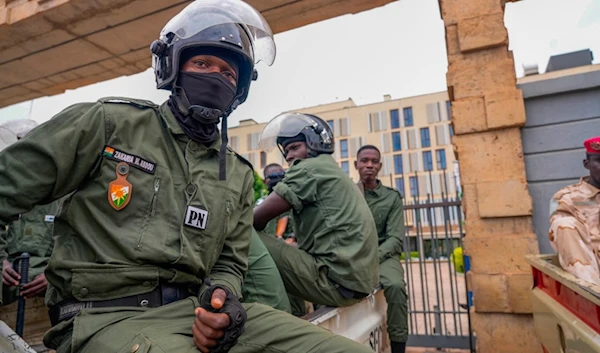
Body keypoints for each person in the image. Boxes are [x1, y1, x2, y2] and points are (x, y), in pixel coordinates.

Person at [0, 1, 378, 353]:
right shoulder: (107, 124)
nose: (217, 77)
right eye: (203, 65)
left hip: (193, 314)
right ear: (171, 67)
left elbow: (229, 262)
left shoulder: (238, 173)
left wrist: (222, 299)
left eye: (229, 72)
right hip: (102, 317)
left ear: (240, 90)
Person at [253, 112, 379, 315]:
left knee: (244, 236)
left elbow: (255, 220)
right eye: (286, 152)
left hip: (335, 282)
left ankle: (271, 322)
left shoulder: (309, 169)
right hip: (353, 283)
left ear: (314, 145)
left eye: (295, 147)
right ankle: (290, 315)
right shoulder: (330, 169)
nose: (290, 156)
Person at [354, 145, 409, 353]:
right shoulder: (349, 194)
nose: (369, 165)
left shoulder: (392, 197)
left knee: (395, 286)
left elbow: (395, 238)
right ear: (356, 164)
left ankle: (398, 346)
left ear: (380, 166)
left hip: (384, 255)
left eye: (374, 161)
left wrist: (372, 257)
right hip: (355, 255)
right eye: (364, 160)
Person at [0, 120, 59, 305]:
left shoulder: (64, 195)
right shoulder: (5, 194)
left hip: (50, 290)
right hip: (7, 287)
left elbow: (79, 245)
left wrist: (55, 275)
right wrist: (1, 263)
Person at [549, 136, 600, 285]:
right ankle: (593, 294)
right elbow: (562, 236)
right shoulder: (564, 198)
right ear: (587, 164)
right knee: (563, 223)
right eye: (599, 161)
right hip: (591, 268)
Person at [259, 164, 295, 243]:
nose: (277, 179)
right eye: (272, 176)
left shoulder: (294, 202)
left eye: (281, 175)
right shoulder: (260, 205)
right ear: (264, 181)